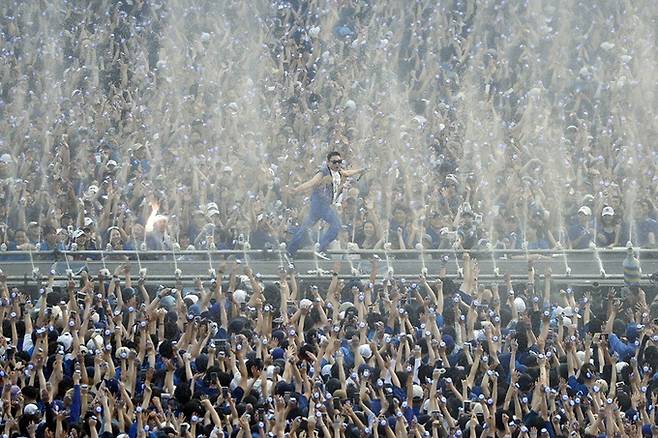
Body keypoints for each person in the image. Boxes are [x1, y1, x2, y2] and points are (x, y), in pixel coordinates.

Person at [286, 151, 366, 258]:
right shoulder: (323, 172)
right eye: (334, 162)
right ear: (328, 162)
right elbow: (311, 183)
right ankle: (321, 247)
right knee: (336, 224)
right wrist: (297, 190)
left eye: (339, 162)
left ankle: (290, 251)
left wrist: (360, 170)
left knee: (305, 228)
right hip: (320, 204)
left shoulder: (338, 171)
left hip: (320, 205)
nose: (337, 164)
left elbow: (347, 173)